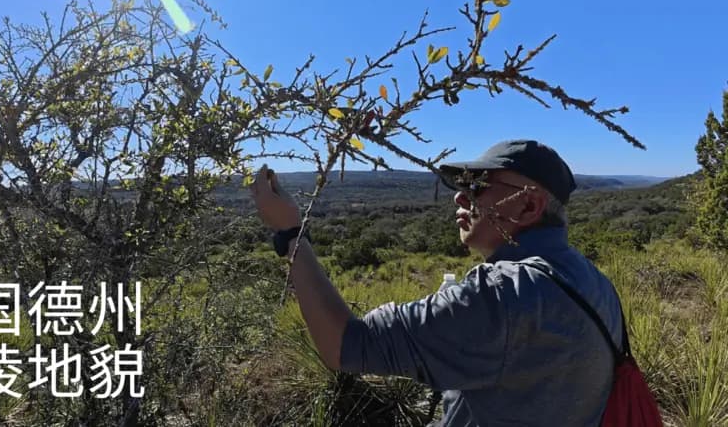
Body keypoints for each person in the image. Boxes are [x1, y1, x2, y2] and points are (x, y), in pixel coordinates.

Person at [251, 139, 624, 426]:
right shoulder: (592, 281)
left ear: (529, 207)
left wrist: (290, 232)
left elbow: (343, 345)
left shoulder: (501, 296)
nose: (460, 194)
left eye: (478, 183)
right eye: (459, 182)